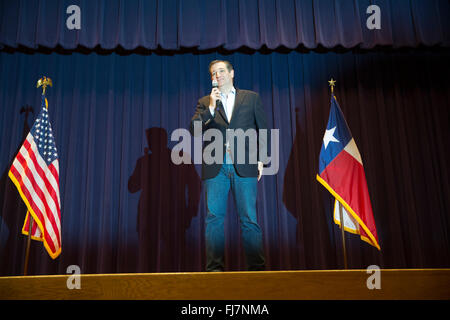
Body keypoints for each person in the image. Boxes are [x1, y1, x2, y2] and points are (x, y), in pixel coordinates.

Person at [190, 60, 269, 271]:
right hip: (216, 168)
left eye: (221, 71)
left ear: (232, 73)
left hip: (245, 165)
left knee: (249, 219)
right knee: (214, 218)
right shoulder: (206, 102)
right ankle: (215, 270)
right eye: (214, 73)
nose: (218, 75)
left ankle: (257, 270)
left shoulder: (250, 98)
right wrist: (211, 109)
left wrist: (261, 159)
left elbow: (264, 130)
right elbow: (194, 130)